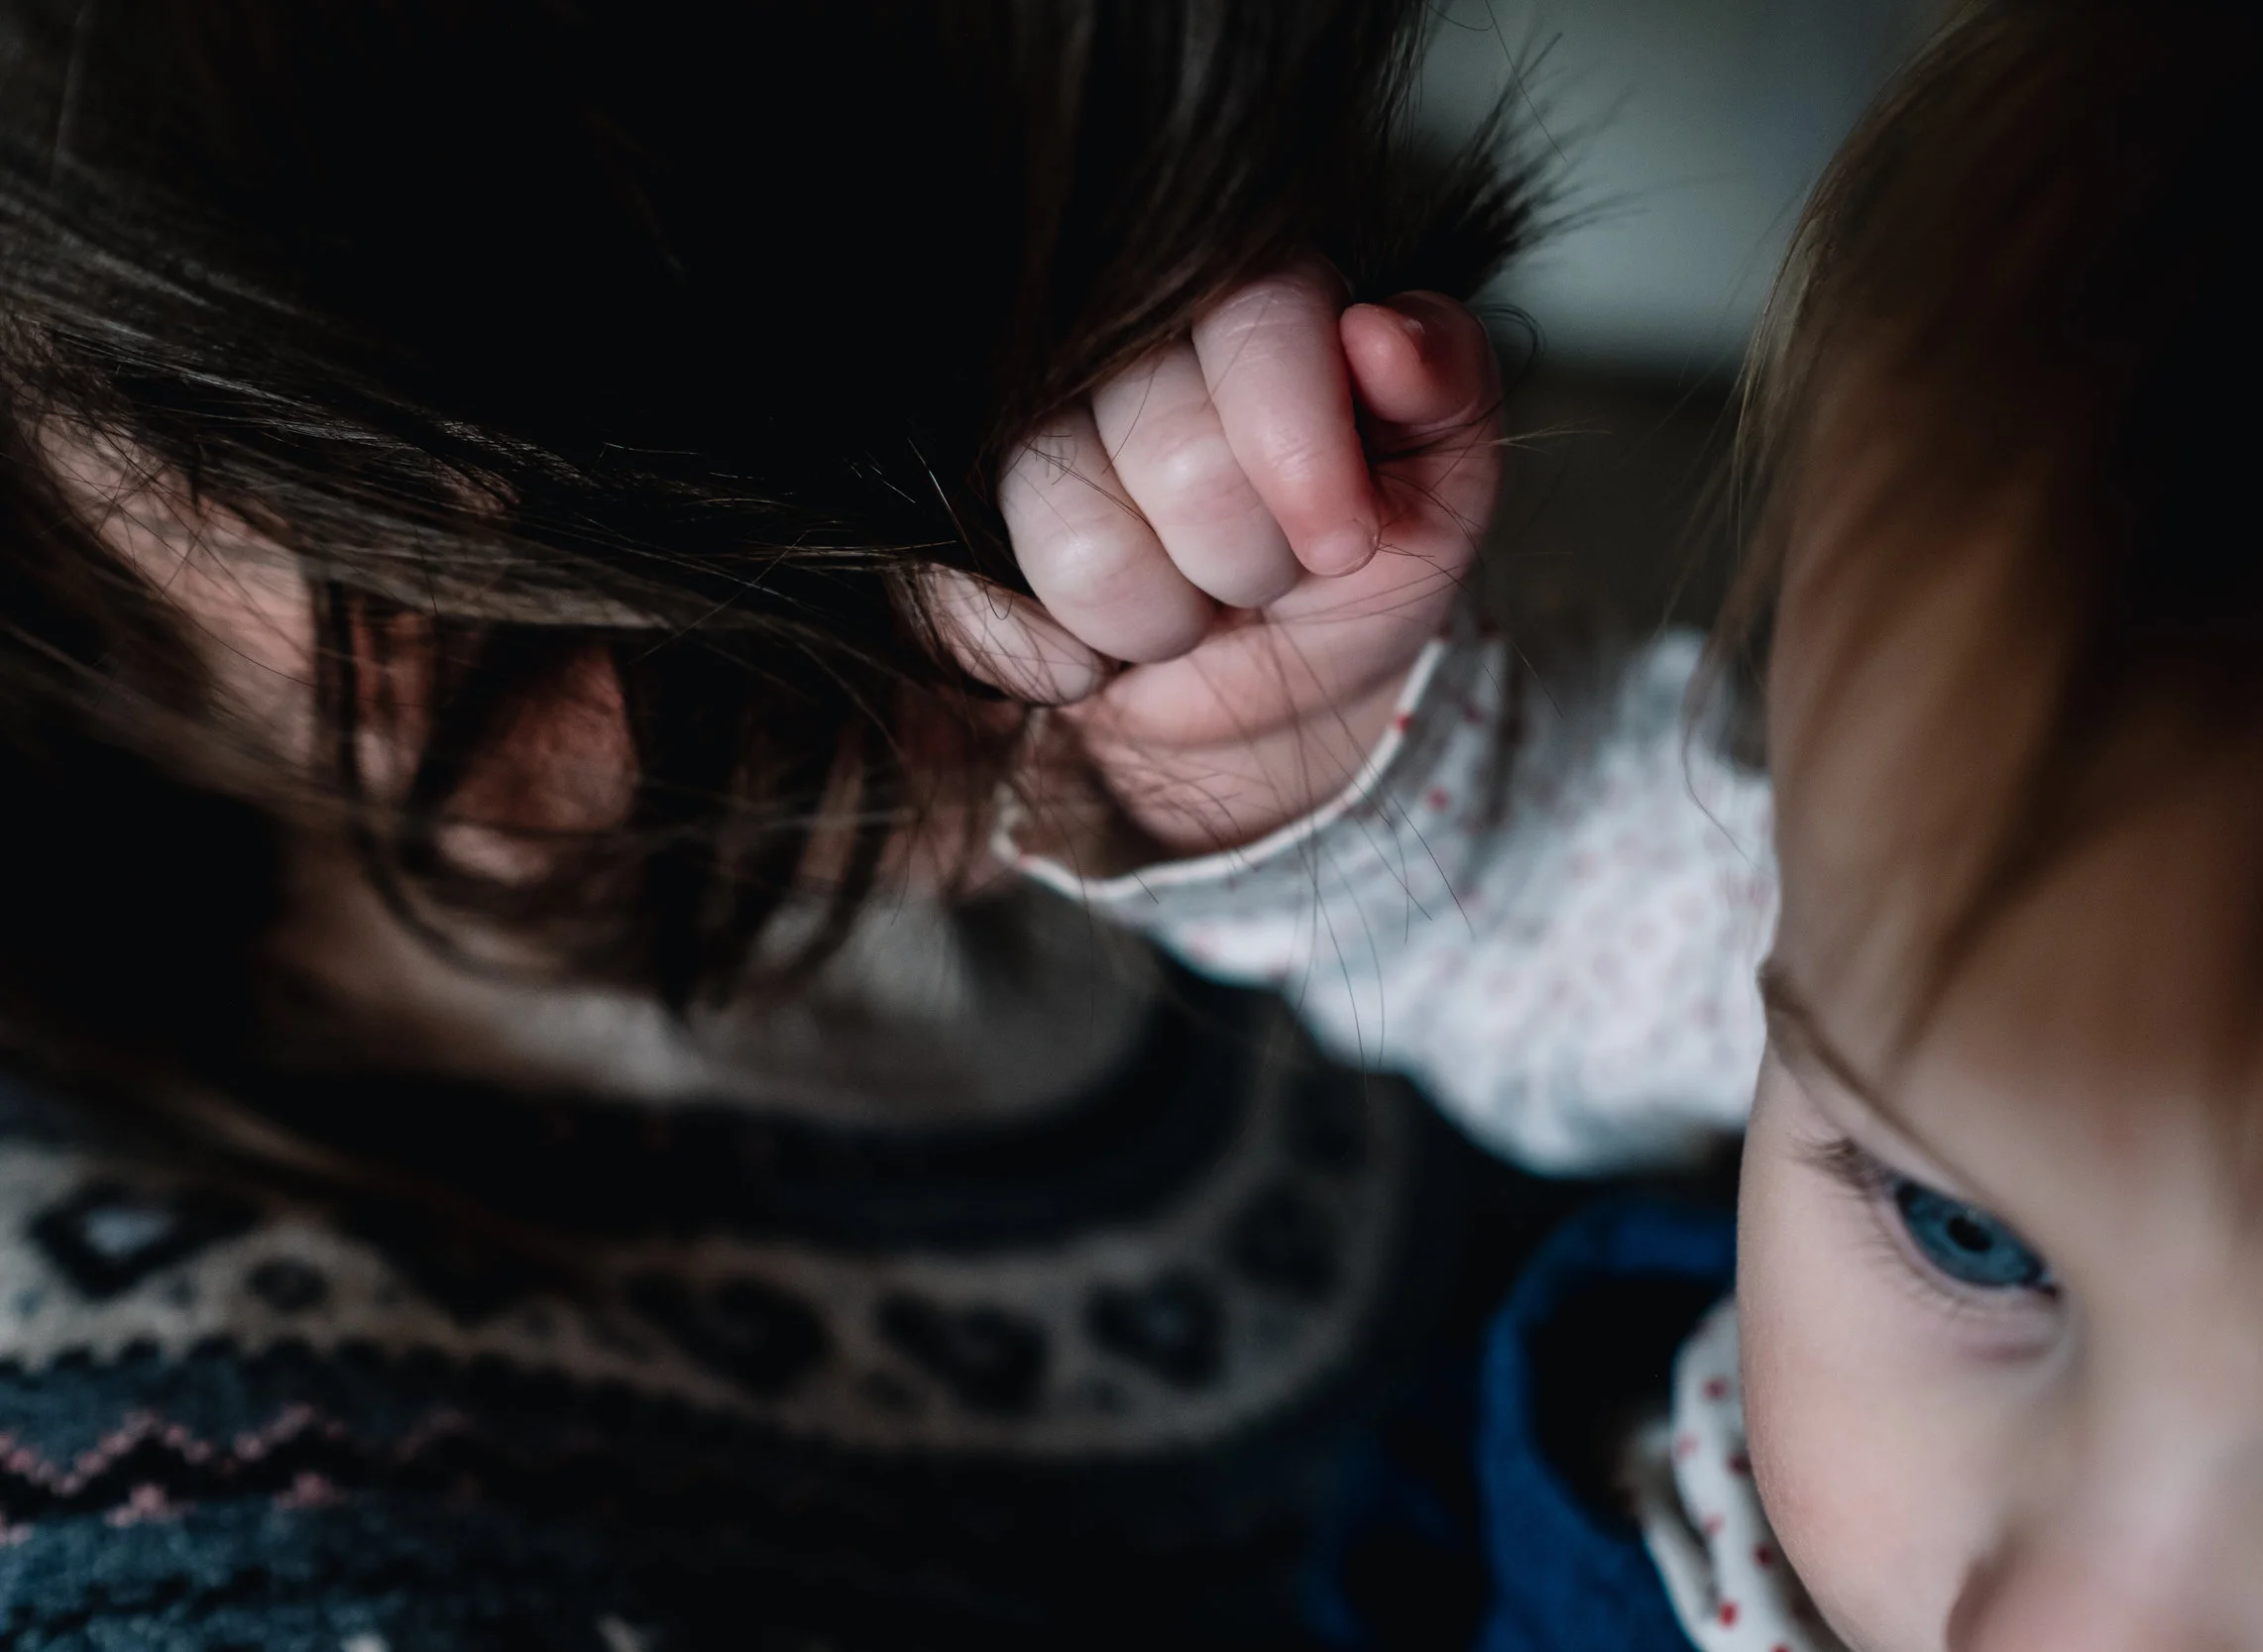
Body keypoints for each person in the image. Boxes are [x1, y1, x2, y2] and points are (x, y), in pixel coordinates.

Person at [0, 3, 1543, 1645]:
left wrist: (1382, 806)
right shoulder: (191, 1507)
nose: (991, 605)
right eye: (606, 526)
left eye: (1053, 317)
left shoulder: (1297, 562)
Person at [1009, 1, 2263, 1646]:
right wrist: (1288, 725)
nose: (2064, 1621)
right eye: (1967, 1233)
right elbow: (1547, 885)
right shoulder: (1916, 945)